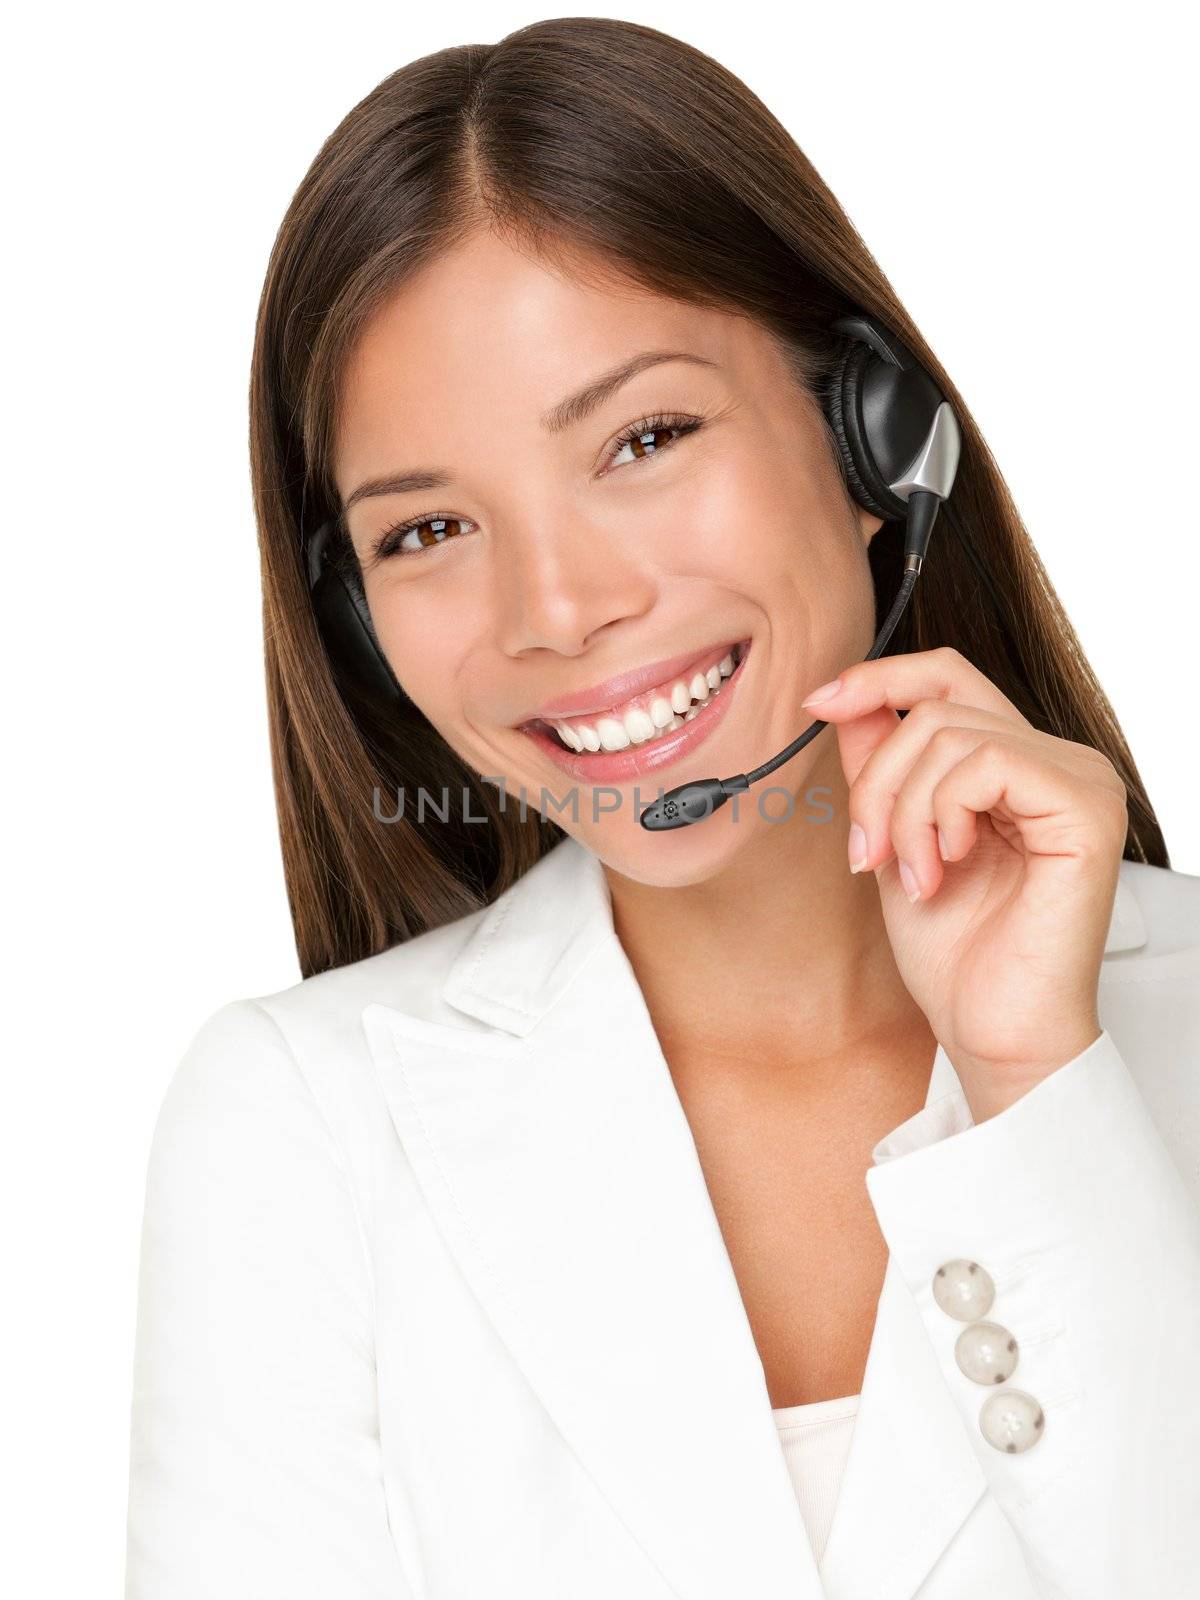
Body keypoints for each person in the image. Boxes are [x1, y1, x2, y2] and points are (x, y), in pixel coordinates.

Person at [124, 17, 1200, 1600]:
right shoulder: (300, 1125)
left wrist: (1039, 1089)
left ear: (872, 439)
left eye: (644, 437)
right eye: (427, 528)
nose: (554, 608)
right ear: (360, 616)